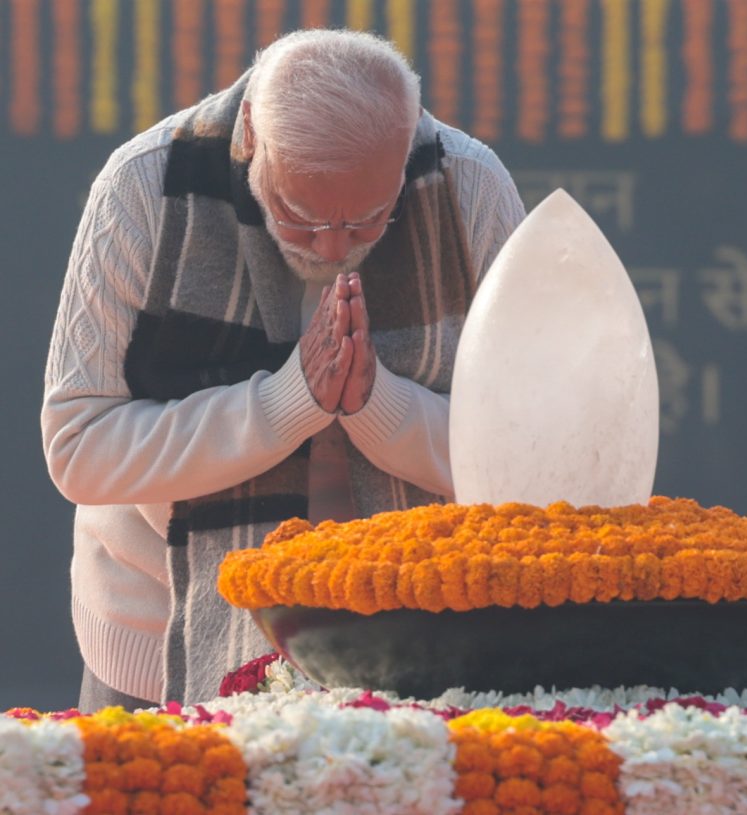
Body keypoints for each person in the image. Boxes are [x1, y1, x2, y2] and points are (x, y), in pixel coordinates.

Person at [41, 28, 526, 710]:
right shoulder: (144, 185)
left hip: (423, 639)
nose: (333, 248)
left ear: (407, 147)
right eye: (300, 217)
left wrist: (378, 407)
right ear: (249, 139)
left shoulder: (466, 187)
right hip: (159, 638)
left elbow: (533, 457)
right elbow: (78, 447)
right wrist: (286, 403)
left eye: (367, 222)